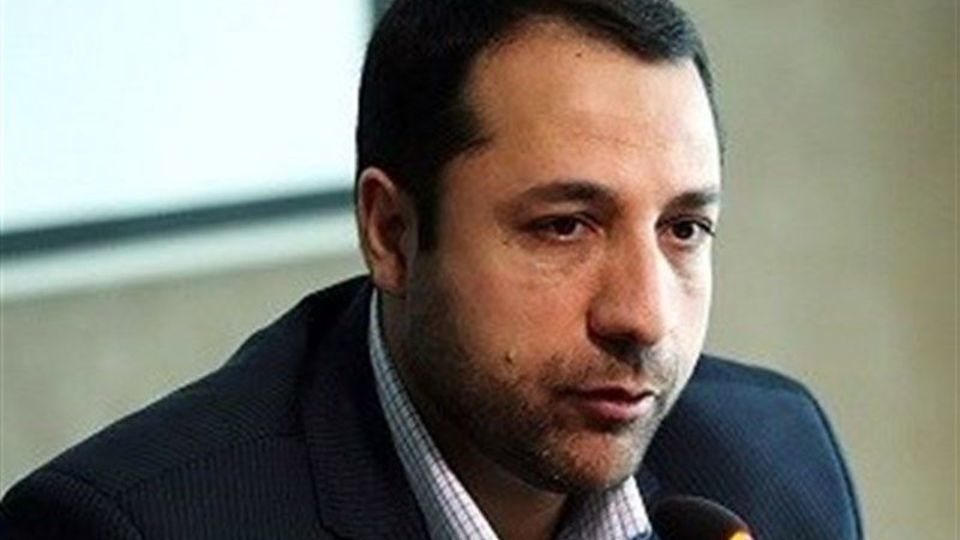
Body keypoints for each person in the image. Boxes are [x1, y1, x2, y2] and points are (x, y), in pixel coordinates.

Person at [0, 1, 862, 538]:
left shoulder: (772, 462)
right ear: (392, 233)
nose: (644, 316)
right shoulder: (128, 527)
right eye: (564, 227)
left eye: (684, 229)